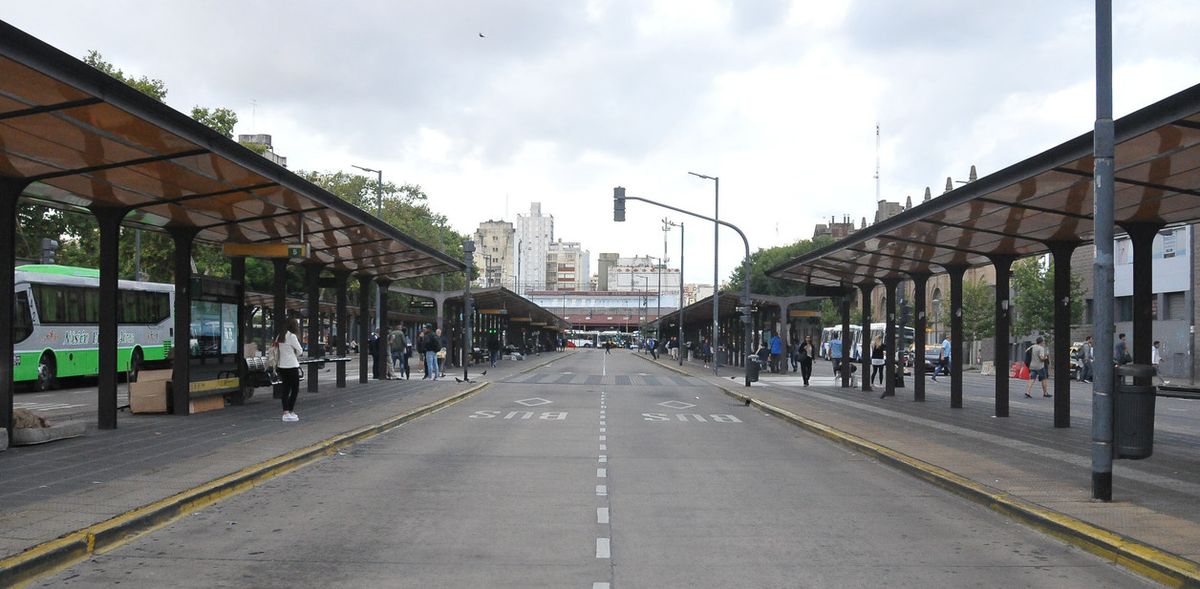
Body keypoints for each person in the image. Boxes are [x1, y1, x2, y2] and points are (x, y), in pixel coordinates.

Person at [274, 318, 304, 422]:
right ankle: (290, 410)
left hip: (281, 366)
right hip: (291, 365)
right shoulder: (292, 336)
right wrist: (293, 354)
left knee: (285, 389)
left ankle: (285, 412)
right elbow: (300, 351)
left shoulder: (280, 336)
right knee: (295, 389)